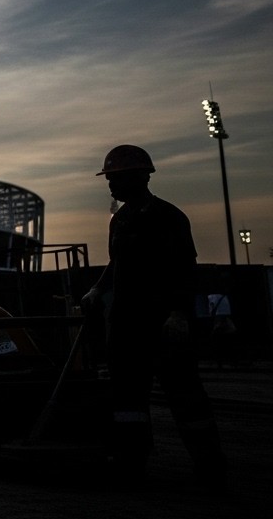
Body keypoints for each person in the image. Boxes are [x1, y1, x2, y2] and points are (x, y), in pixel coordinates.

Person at [80, 145, 226, 490]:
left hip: (162, 324)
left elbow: (184, 269)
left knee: (186, 396)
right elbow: (117, 264)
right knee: (128, 399)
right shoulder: (121, 219)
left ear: (140, 177)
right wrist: (97, 290)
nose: (111, 185)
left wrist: (177, 313)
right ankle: (132, 465)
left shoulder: (168, 218)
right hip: (127, 324)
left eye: (116, 178)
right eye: (109, 178)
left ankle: (210, 467)